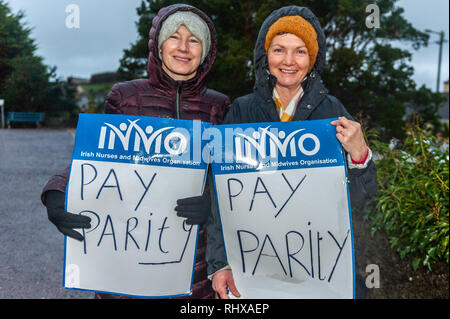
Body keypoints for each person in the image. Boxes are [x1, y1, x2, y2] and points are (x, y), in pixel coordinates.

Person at [41, 4, 230, 299]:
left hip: (194, 265)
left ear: (205, 51)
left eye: (193, 40)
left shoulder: (219, 105)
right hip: (127, 258)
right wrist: (56, 193)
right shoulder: (125, 96)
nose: (183, 47)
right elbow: (96, 161)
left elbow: (228, 176)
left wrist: (212, 203)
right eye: (174, 37)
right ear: (158, 45)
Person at [205, 5, 377, 299]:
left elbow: (363, 200)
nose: (288, 61)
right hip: (255, 265)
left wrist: (360, 156)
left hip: (319, 267)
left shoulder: (333, 112)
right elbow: (220, 197)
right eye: (279, 50)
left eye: (300, 51)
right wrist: (219, 263)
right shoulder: (241, 111)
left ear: (312, 59)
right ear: (265, 56)